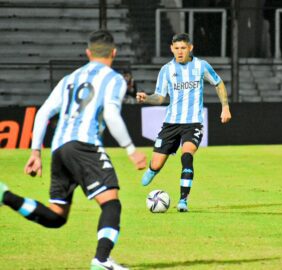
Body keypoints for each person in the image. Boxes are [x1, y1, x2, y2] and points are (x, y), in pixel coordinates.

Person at [0, 30, 146, 270]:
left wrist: (35, 152)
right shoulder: (114, 79)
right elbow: (110, 114)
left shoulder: (69, 78)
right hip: (84, 144)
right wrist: (131, 149)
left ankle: (5, 196)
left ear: (88, 53)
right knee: (111, 203)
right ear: (114, 53)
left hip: (59, 148)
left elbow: (44, 112)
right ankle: (101, 260)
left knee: (57, 216)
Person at [136, 33, 231, 212]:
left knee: (186, 155)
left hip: (193, 122)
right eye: (176, 48)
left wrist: (225, 107)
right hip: (171, 124)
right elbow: (160, 97)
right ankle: (152, 169)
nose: (179, 52)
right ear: (171, 48)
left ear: (190, 48)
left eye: (183, 48)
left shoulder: (201, 66)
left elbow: (218, 83)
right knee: (156, 163)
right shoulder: (166, 70)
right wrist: (146, 98)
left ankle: (183, 201)